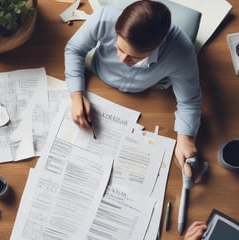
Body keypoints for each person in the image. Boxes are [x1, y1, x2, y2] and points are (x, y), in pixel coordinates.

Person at [64, 0, 201, 168]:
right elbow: (74, 49)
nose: (122, 59)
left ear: (159, 45)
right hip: (96, 82)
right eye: (119, 49)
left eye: (134, 57)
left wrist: (185, 137)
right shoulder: (104, 17)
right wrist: (76, 95)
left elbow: (189, 101)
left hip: (148, 97)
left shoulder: (182, 52)